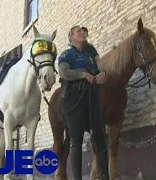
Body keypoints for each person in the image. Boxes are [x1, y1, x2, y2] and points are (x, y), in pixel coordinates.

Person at [58, 25, 109, 180]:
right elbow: (63, 72)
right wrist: (83, 75)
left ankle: (105, 176)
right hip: (73, 98)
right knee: (76, 139)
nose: (82, 32)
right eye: (78, 31)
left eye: (82, 30)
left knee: (100, 137)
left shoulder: (88, 56)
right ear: (71, 36)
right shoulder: (67, 54)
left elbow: (96, 71)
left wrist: (101, 76)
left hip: (91, 97)